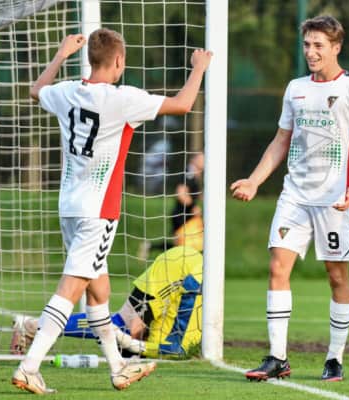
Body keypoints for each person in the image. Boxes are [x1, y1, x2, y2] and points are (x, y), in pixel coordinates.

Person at [11, 28, 211, 394]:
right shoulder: (122, 99)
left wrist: (60, 55)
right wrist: (199, 67)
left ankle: (118, 367)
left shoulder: (66, 92)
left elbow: (36, 90)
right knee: (71, 287)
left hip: (69, 207)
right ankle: (29, 366)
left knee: (98, 291)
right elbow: (183, 104)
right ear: (118, 61)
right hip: (98, 211)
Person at [230, 15, 349, 382]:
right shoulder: (295, 88)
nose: (311, 52)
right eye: (307, 44)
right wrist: (255, 180)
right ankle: (277, 357)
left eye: (318, 46)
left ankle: (334, 358)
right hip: (294, 196)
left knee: (336, 276)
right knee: (277, 268)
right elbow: (281, 140)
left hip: (336, 200)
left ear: (336, 47)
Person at [11, 245, 203, 359]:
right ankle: (34, 326)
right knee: (128, 328)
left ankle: (34, 326)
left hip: (186, 267)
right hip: (177, 267)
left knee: (124, 335)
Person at [137, 152, 204, 259]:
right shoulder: (188, 173)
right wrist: (193, 207)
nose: (204, 161)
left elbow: (191, 192)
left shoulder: (194, 174)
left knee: (186, 246)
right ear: (194, 160)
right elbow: (181, 193)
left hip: (187, 215)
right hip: (182, 215)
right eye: (201, 159)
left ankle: (150, 246)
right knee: (187, 246)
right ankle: (151, 247)